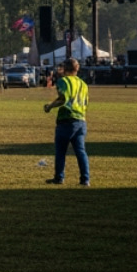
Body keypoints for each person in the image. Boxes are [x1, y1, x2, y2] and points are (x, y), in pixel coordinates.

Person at [44, 57, 90, 187]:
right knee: (81, 151)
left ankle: (59, 177)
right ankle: (85, 179)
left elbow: (63, 99)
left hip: (67, 119)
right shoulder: (83, 84)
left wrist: (49, 106)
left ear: (66, 68)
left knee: (61, 151)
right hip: (81, 120)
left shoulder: (63, 81)